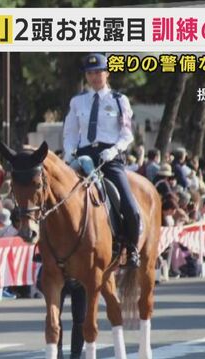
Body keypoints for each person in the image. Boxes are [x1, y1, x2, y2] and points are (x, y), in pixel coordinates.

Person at [62, 53, 141, 267]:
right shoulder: (78, 102)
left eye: (98, 72)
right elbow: (70, 132)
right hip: (83, 156)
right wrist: (69, 152)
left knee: (129, 206)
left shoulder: (118, 100)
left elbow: (127, 134)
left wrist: (114, 150)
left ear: (107, 73)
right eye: (90, 73)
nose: (95, 77)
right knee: (57, 195)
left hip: (109, 158)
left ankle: (131, 247)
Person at [57, 278, 87, 359]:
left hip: (82, 275)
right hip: (58, 273)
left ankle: (75, 357)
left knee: (80, 317)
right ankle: (57, 352)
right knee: (54, 315)